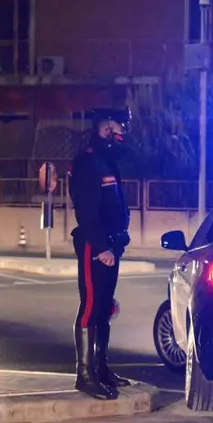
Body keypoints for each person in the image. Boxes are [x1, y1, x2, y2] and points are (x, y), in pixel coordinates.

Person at [69, 107, 132, 400]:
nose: (123, 133)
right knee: (91, 306)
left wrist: (118, 239)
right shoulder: (88, 161)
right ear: (105, 127)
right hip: (94, 246)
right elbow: (86, 211)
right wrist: (101, 247)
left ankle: (101, 369)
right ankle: (85, 375)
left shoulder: (107, 161)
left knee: (104, 307)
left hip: (111, 244)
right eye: (119, 127)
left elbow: (115, 204)